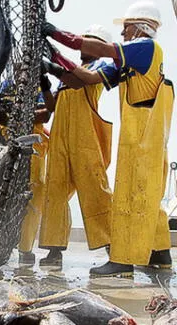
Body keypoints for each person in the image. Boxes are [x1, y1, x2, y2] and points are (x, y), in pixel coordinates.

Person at [42, 1, 174, 276]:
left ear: (140, 27)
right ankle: (159, 254)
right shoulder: (130, 59)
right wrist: (54, 61)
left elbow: (101, 50)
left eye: (126, 28)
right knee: (147, 195)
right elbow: (86, 79)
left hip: (143, 137)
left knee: (130, 195)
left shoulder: (145, 47)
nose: (124, 34)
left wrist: (56, 34)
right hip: (140, 136)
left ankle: (122, 262)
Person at [37, 25, 114, 266]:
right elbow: (52, 108)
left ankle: (114, 247)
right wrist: (45, 83)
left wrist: (54, 62)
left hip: (86, 140)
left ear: (99, 46)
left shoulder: (101, 67)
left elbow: (81, 81)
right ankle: (54, 249)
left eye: (89, 41)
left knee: (95, 190)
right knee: (55, 190)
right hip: (60, 139)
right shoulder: (67, 78)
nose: (84, 45)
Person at [0, 79, 51, 264]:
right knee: (1, 194)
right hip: (5, 144)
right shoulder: (7, 85)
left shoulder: (39, 86)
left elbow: (44, 115)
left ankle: (25, 248)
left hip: (32, 146)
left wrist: (19, 116)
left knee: (32, 195)